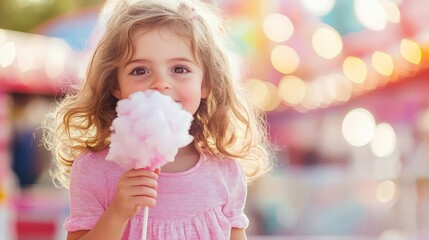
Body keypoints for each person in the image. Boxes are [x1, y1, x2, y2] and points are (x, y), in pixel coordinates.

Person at [43, 0, 271, 239]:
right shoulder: (94, 169)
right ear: (115, 85)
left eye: (180, 69)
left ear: (206, 83)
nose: (160, 83)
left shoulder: (225, 171)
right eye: (140, 70)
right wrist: (118, 213)